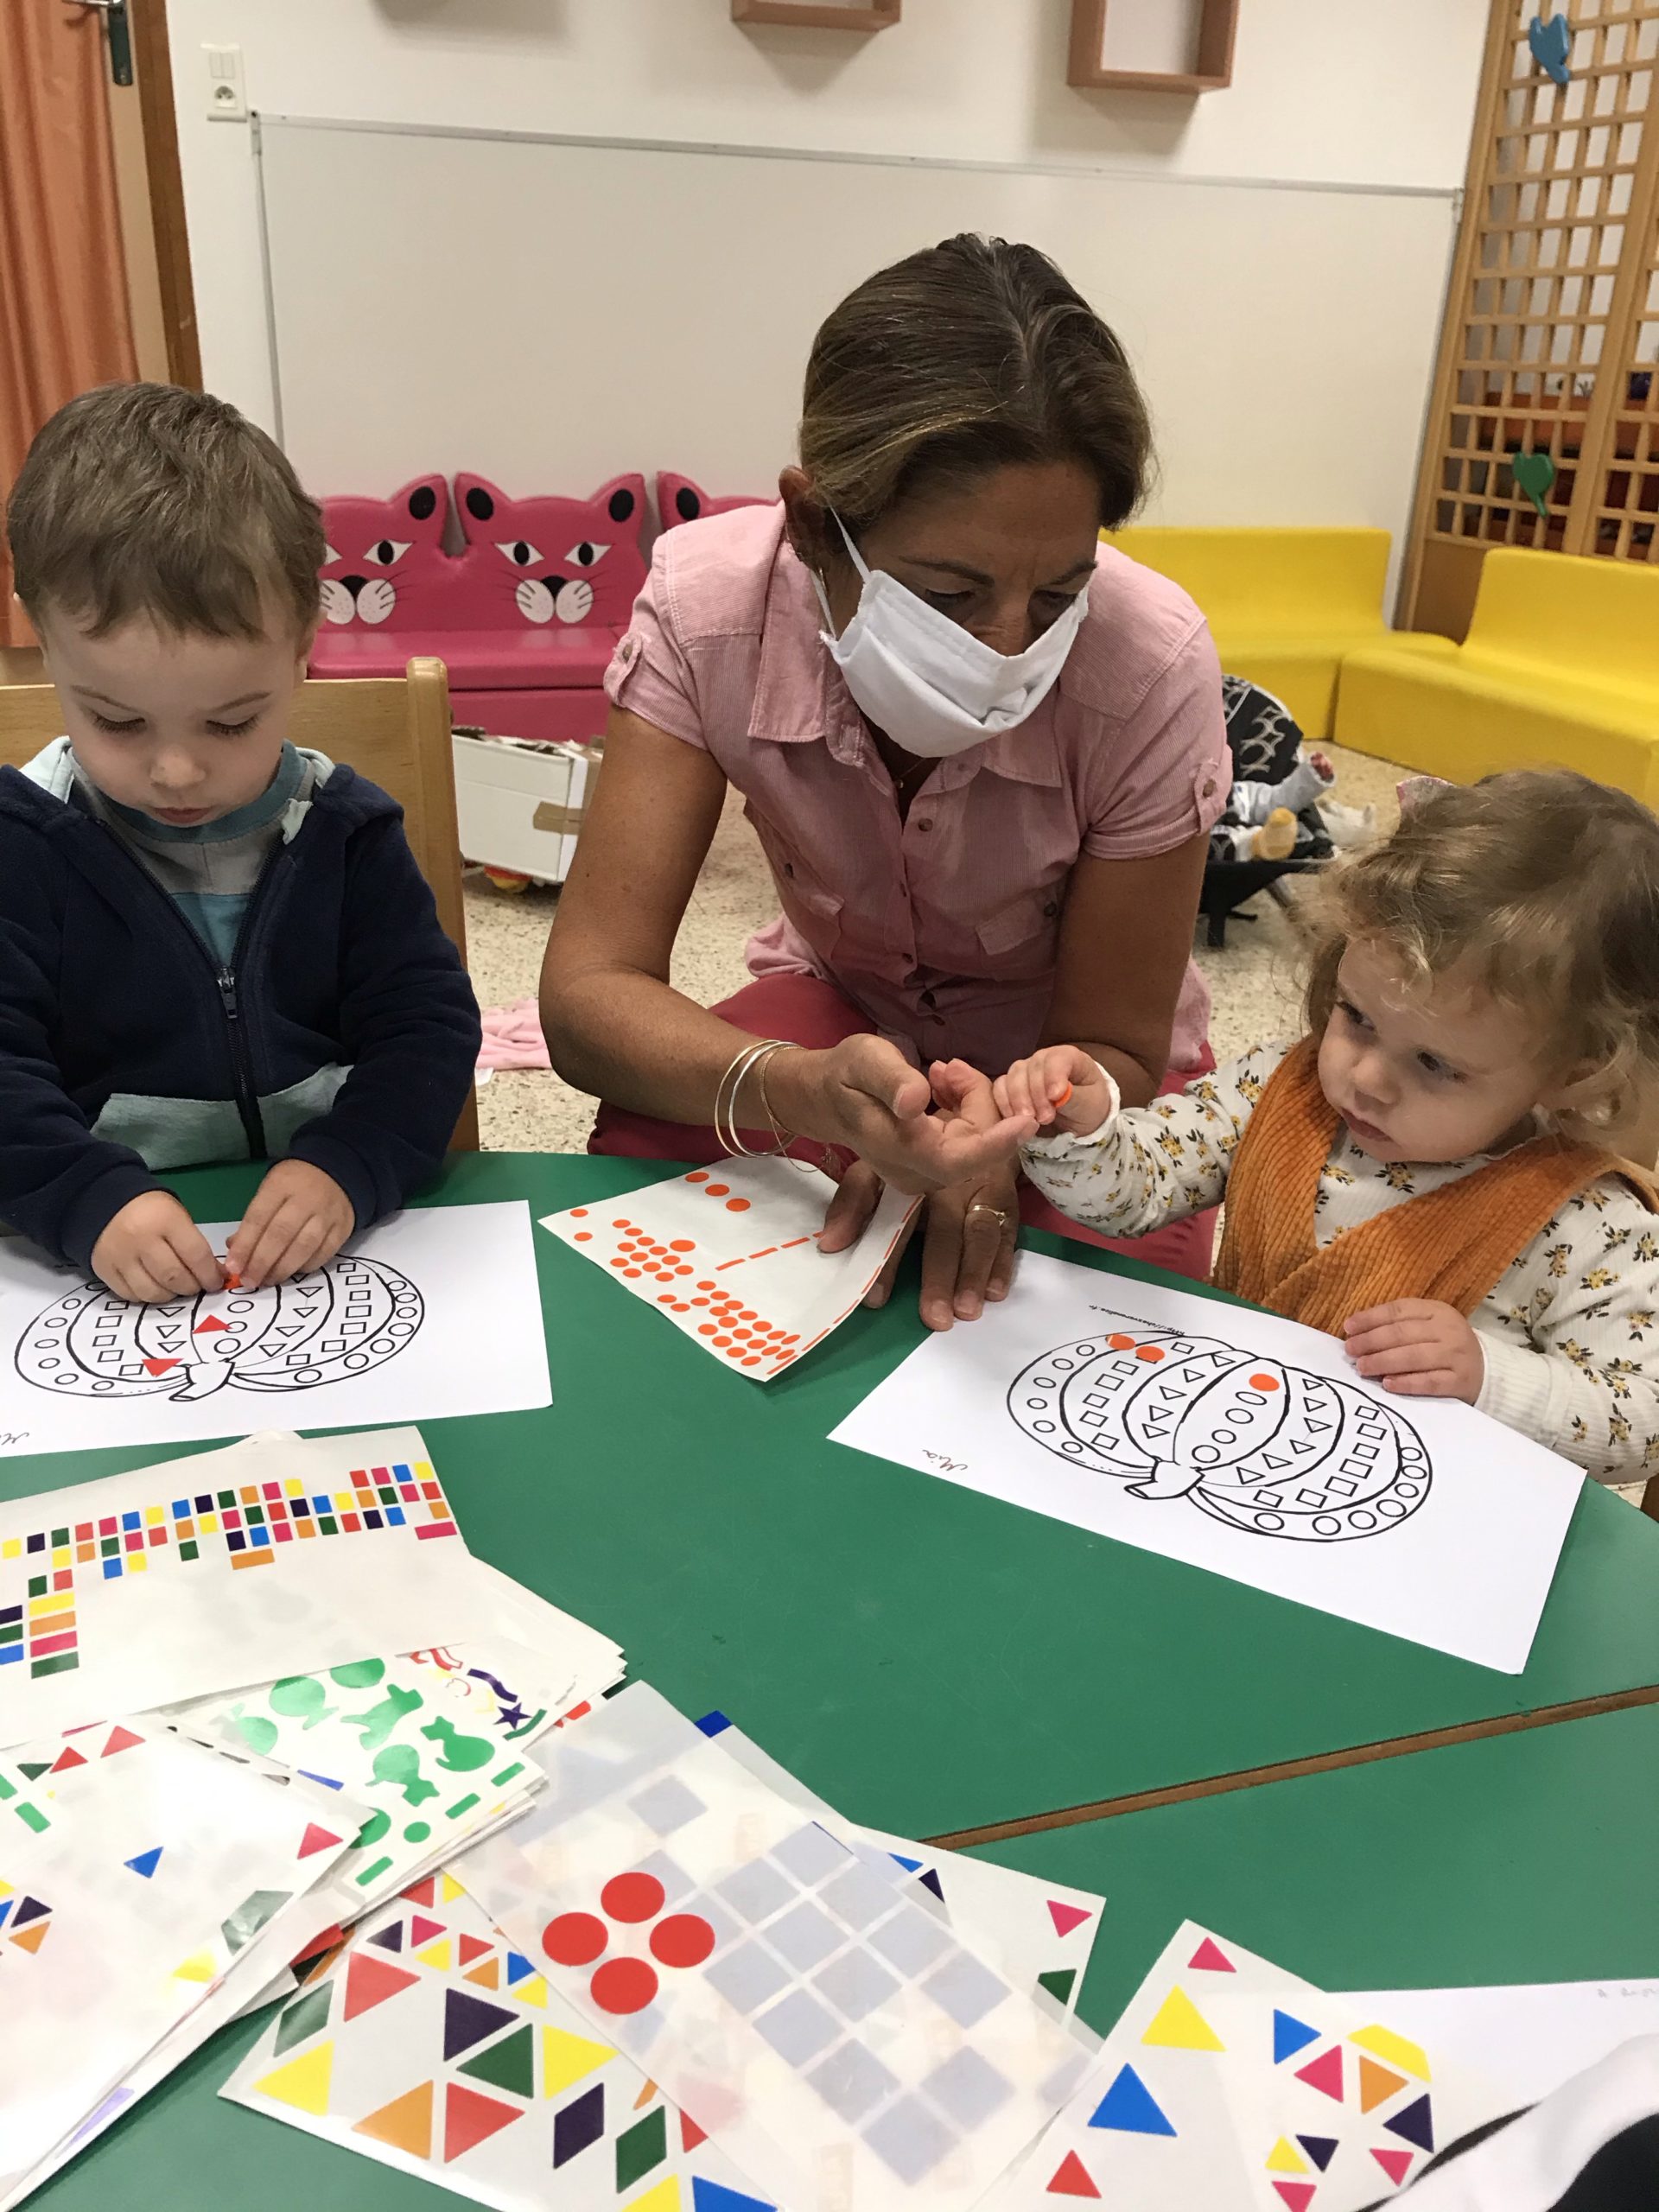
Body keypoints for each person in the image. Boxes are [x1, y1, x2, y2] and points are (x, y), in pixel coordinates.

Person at [540, 233, 1230, 1334]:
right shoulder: (709, 608)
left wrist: (1017, 1132)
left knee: (1110, 1315)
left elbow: (1119, 1043)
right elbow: (589, 999)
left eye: (1059, 594)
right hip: (839, 1019)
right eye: (950, 595)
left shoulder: (1148, 662)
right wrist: (798, 1089)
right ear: (815, 525)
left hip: (1069, 1077)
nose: (1009, 645)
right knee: (654, 1195)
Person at [959, 771, 1659, 1482]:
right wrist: (1081, 1130)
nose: (1366, 1078)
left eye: (1434, 1064)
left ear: (1572, 1076)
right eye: (1357, 1017)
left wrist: (1490, 1378)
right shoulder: (1279, 1087)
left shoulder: (1591, 1223)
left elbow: (1641, 1419)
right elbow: (1139, 1188)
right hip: (1230, 1449)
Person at [0, 382, 480, 1301]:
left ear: (303, 643)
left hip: (328, 1239)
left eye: (230, 723)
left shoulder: (346, 831)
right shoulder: (24, 843)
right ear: (42, 639)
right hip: (94, 1255)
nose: (177, 772)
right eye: (117, 721)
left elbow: (426, 1029)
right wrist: (84, 1196)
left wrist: (352, 1161)